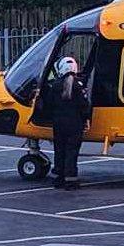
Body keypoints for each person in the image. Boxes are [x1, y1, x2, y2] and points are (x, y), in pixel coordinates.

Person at [42, 56, 91, 190]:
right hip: (75, 125)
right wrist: (87, 118)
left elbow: (49, 104)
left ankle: (59, 177)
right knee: (71, 151)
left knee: (59, 150)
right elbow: (84, 106)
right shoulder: (79, 86)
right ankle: (71, 180)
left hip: (58, 124)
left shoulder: (55, 86)